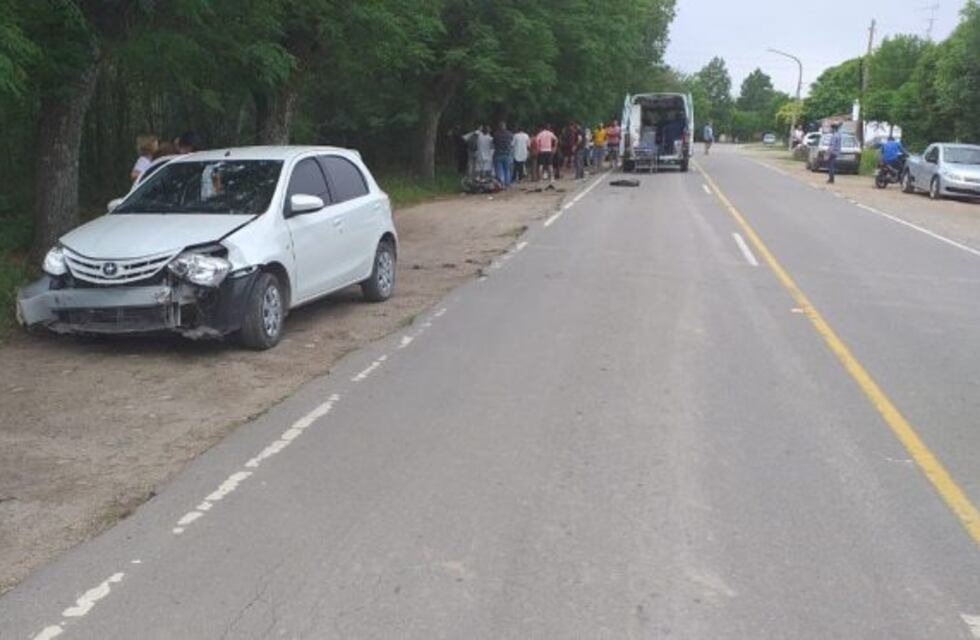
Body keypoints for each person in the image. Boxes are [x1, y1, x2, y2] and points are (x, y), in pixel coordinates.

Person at [493, 122, 515, 187]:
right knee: (507, 170)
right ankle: (507, 183)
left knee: (499, 170)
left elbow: (494, 143)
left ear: (499, 127)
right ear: (505, 126)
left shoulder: (496, 134)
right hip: (507, 154)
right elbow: (511, 142)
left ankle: (501, 184)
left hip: (498, 154)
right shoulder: (510, 134)